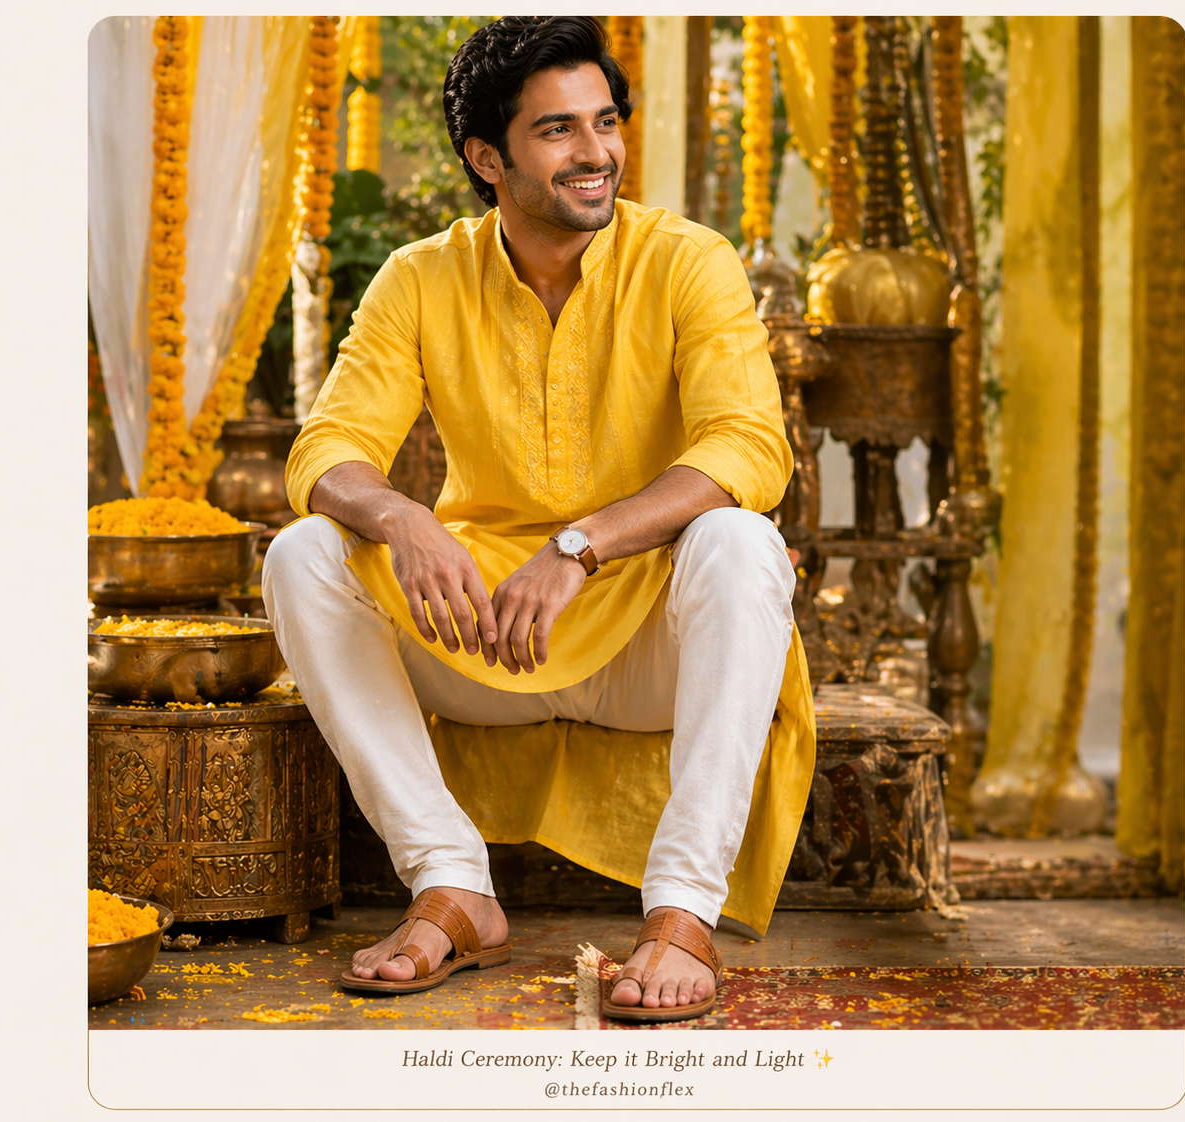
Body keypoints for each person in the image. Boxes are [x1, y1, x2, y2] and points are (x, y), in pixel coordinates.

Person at [263, 15, 813, 1023]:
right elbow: (324, 448)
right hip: (489, 635)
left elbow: (748, 449)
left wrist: (583, 544)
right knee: (305, 553)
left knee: (739, 539)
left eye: (604, 123)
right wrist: (400, 517)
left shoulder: (687, 261)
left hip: (648, 640)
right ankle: (452, 885)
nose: (597, 152)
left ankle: (683, 914)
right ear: (487, 156)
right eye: (558, 131)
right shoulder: (422, 279)